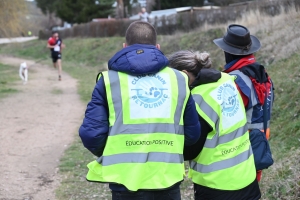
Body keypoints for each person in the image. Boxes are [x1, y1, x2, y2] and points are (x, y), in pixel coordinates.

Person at [79, 21, 201, 200]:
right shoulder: (179, 80)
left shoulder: (108, 81)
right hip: (167, 179)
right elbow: (192, 134)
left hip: (125, 181)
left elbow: (91, 135)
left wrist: (115, 150)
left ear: (125, 46)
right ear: (157, 47)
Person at [168, 50, 261, 200]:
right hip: (247, 177)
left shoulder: (197, 100)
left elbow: (191, 150)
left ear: (184, 74)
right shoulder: (226, 80)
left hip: (218, 186)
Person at [213, 24, 274, 181]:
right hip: (260, 145)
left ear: (228, 52)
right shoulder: (263, 75)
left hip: (239, 151)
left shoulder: (234, 80)